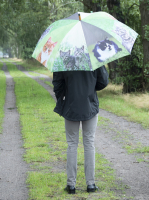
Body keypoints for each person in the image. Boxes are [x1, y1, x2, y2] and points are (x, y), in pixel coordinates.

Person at [52, 65, 109, 194]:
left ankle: (71, 185)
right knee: (89, 143)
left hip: (70, 106)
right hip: (90, 105)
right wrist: (91, 87)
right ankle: (91, 184)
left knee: (72, 144)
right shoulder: (93, 57)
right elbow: (103, 81)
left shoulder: (64, 59)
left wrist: (64, 96)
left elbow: (57, 84)